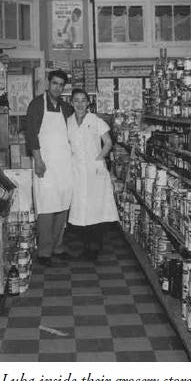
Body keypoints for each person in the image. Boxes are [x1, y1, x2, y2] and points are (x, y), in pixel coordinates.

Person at [26, 70, 74, 266]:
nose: (58, 87)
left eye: (61, 85)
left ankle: (58, 246)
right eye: (55, 83)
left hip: (64, 165)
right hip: (44, 164)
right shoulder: (37, 104)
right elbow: (31, 135)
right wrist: (38, 160)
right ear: (48, 83)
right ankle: (44, 251)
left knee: (62, 205)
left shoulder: (65, 107)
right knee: (46, 206)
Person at [67, 88, 119, 260]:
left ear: (88, 103)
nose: (80, 104)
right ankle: (86, 246)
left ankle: (94, 247)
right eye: (76, 100)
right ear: (71, 102)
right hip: (77, 171)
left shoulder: (94, 119)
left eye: (83, 100)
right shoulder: (68, 122)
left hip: (95, 170)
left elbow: (108, 142)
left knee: (96, 208)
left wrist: (98, 159)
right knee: (81, 208)